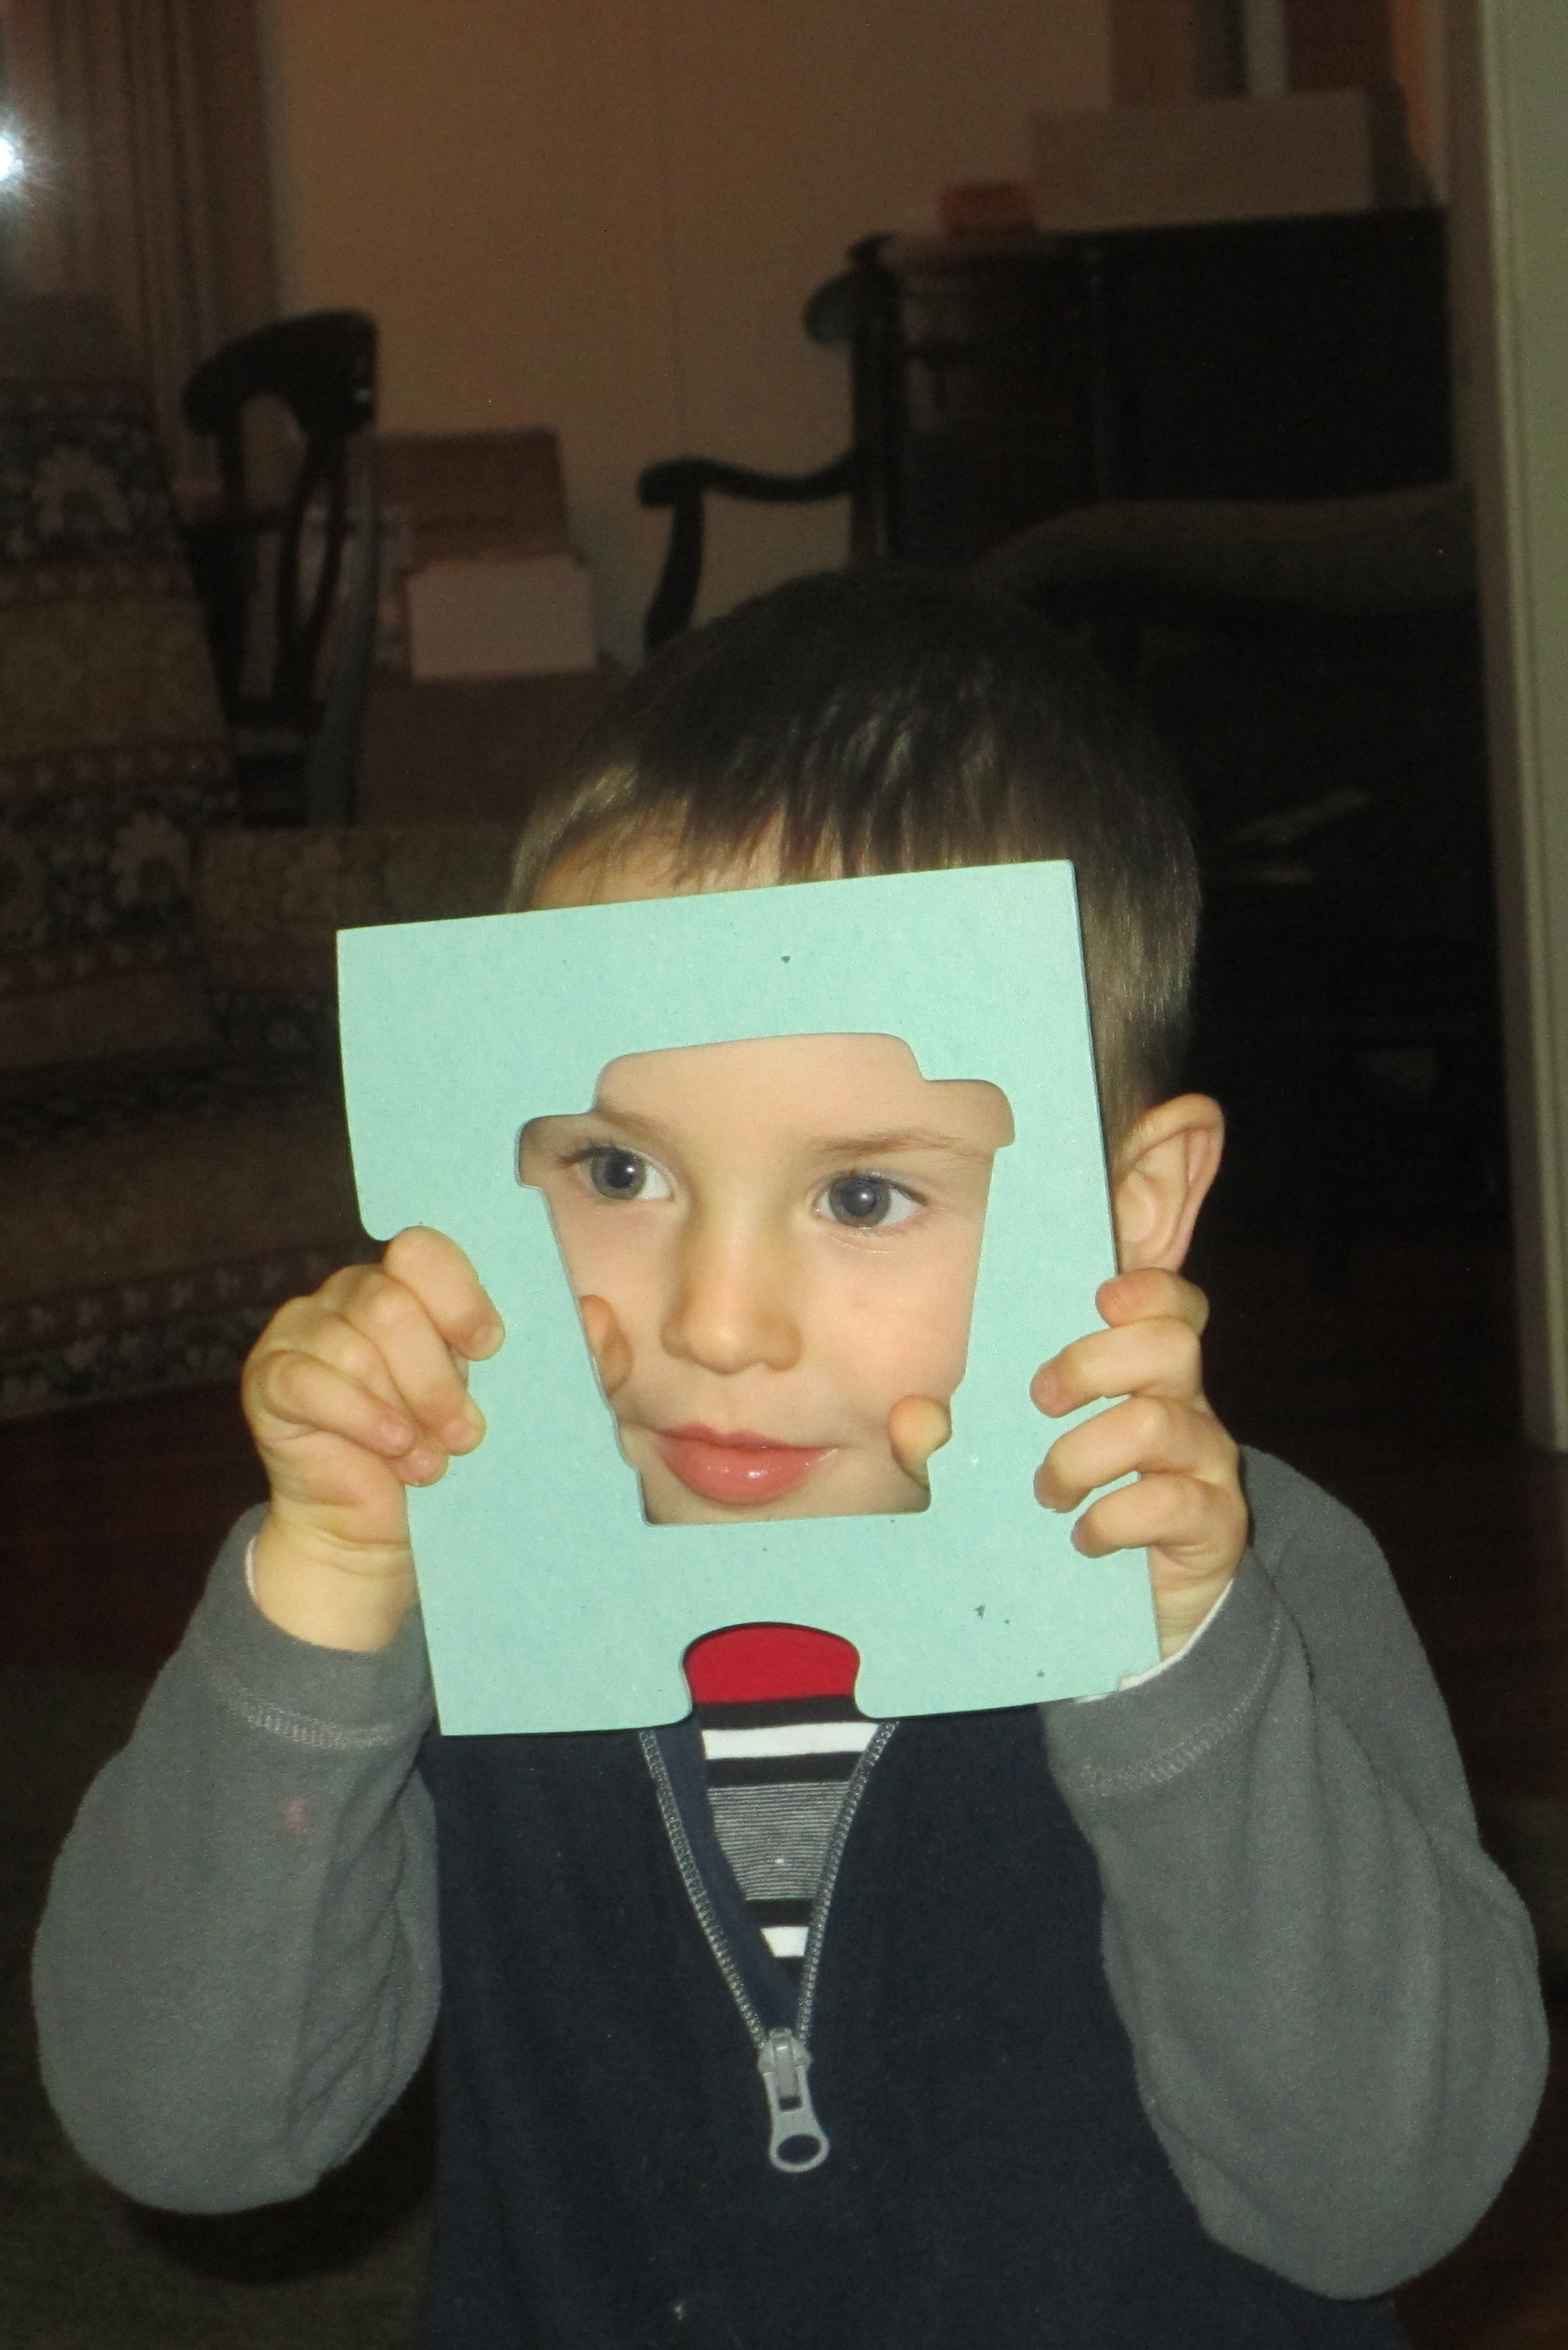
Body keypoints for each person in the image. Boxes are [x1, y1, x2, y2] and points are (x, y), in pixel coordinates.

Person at [34, 570, 1546, 2349]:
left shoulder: (1254, 1589)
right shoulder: (443, 1591)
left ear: (1130, 1206)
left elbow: (1381, 2190)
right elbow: (185, 2129)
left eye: (863, 1194)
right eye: (616, 1170)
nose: (720, 1322)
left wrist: (1177, 1679)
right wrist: (316, 1618)